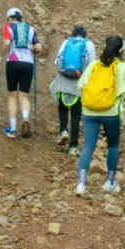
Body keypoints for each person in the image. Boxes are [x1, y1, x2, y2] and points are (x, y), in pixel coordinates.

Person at [75, 36, 125, 196]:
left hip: (90, 111)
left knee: (88, 146)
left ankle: (81, 184)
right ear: (121, 51)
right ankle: (109, 182)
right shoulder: (123, 67)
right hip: (111, 112)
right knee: (113, 146)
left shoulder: (94, 65)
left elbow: (81, 84)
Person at [49, 25, 97, 155]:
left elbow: (57, 62)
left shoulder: (65, 42)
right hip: (79, 81)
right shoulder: (89, 45)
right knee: (76, 114)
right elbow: (92, 66)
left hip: (63, 79)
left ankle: (63, 130)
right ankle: (73, 147)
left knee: (63, 107)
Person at [0, 7, 42, 139]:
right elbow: (39, 48)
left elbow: (7, 42)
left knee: (12, 95)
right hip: (28, 63)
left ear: (10, 18)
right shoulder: (30, 28)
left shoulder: (8, 27)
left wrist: (0, 56)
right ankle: (25, 118)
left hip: (12, 62)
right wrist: (33, 48)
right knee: (24, 96)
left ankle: (12, 129)